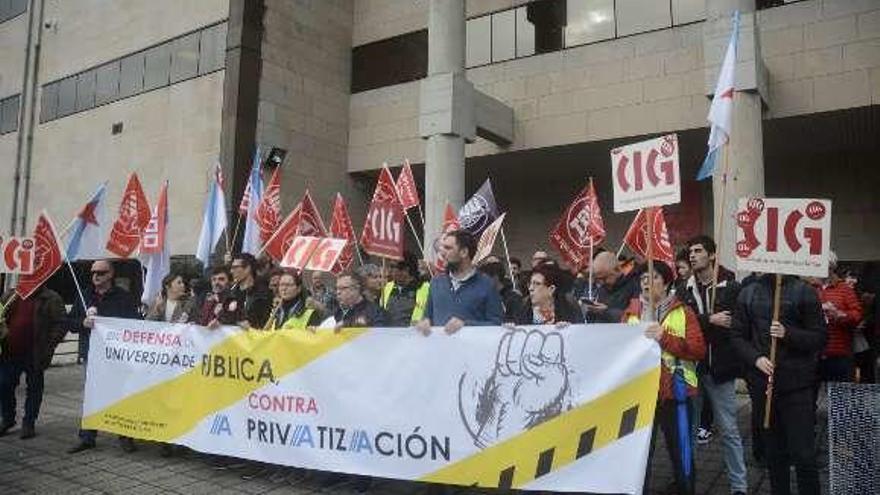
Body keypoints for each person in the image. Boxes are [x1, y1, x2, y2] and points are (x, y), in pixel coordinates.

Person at [730, 273, 826, 495]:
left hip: (798, 386)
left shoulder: (805, 291)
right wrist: (755, 358)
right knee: (774, 453)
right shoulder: (749, 292)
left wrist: (788, 333)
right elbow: (737, 336)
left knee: (803, 453)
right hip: (763, 386)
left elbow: (819, 336)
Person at [622, 262, 705, 495]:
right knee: (640, 455)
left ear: (667, 282)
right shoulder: (631, 311)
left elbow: (698, 350)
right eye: (643, 279)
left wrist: (664, 337)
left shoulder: (683, 312)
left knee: (681, 454)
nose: (647, 282)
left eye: (654, 277)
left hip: (676, 395)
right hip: (639, 395)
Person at [678, 236, 748, 495]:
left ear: (712, 255)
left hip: (721, 368)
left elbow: (737, 324)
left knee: (729, 429)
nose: (693, 255)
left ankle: (739, 486)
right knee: (690, 429)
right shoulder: (684, 288)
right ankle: (688, 481)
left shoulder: (731, 287)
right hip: (691, 369)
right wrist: (709, 319)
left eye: (698, 251)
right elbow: (683, 323)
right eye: (691, 251)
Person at [68, 260, 141, 454]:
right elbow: (70, 323)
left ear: (111, 274)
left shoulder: (123, 297)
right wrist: (83, 322)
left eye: (101, 272)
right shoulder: (84, 295)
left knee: (120, 395)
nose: (96, 276)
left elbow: (135, 324)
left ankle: (125, 435)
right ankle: (87, 437)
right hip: (91, 355)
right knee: (91, 395)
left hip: (116, 356)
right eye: (93, 273)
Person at [0, 286, 66, 439]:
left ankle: (29, 423)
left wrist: (49, 345)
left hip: (35, 354)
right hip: (10, 352)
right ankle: (8, 419)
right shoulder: (11, 294)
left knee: (34, 388)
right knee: (4, 385)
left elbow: (61, 323)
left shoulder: (51, 298)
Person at [416, 230, 503, 335]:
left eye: (448, 248)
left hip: (472, 350)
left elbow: (496, 325)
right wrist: (424, 324)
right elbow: (427, 317)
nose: (442, 253)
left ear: (464, 252)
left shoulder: (487, 284)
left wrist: (465, 325)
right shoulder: (436, 283)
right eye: (442, 248)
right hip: (439, 349)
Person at [813, 252, 862, 383]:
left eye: (824, 266)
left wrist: (839, 314)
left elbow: (857, 315)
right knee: (809, 399)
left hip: (839, 353)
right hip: (813, 353)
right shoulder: (808, 288)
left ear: (832, 268)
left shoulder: (845, 289)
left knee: (839, 399)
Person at [215, 253, 272, 329]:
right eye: (231, 268)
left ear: (248, 269)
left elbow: (260, 321)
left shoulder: (263, 293)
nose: (231, 271)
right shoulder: (230, 293)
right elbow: (224, 316)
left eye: (235, 267)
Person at [514, 263, 583, 325]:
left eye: (537, 284)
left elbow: (579, 333)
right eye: (530, 284)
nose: (530, 288)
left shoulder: (568, 306)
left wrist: (569, 329)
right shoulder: (523, 306)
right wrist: (511, 329)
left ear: (551, 289)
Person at [584, 251, 641, 323]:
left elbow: (634, 321)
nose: (601, 283)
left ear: (617, 270)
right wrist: (592, 312)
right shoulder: (602, 289)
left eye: (604, 278)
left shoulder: (635, 287)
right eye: (598, 279)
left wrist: (607, 312)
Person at [380, 253, 431, 327]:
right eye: (391, 266)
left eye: (396, 267)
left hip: (413, 334)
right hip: (389, 334)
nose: (392, 270)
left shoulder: (426, 287)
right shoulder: (387, 287)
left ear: (408, 268)